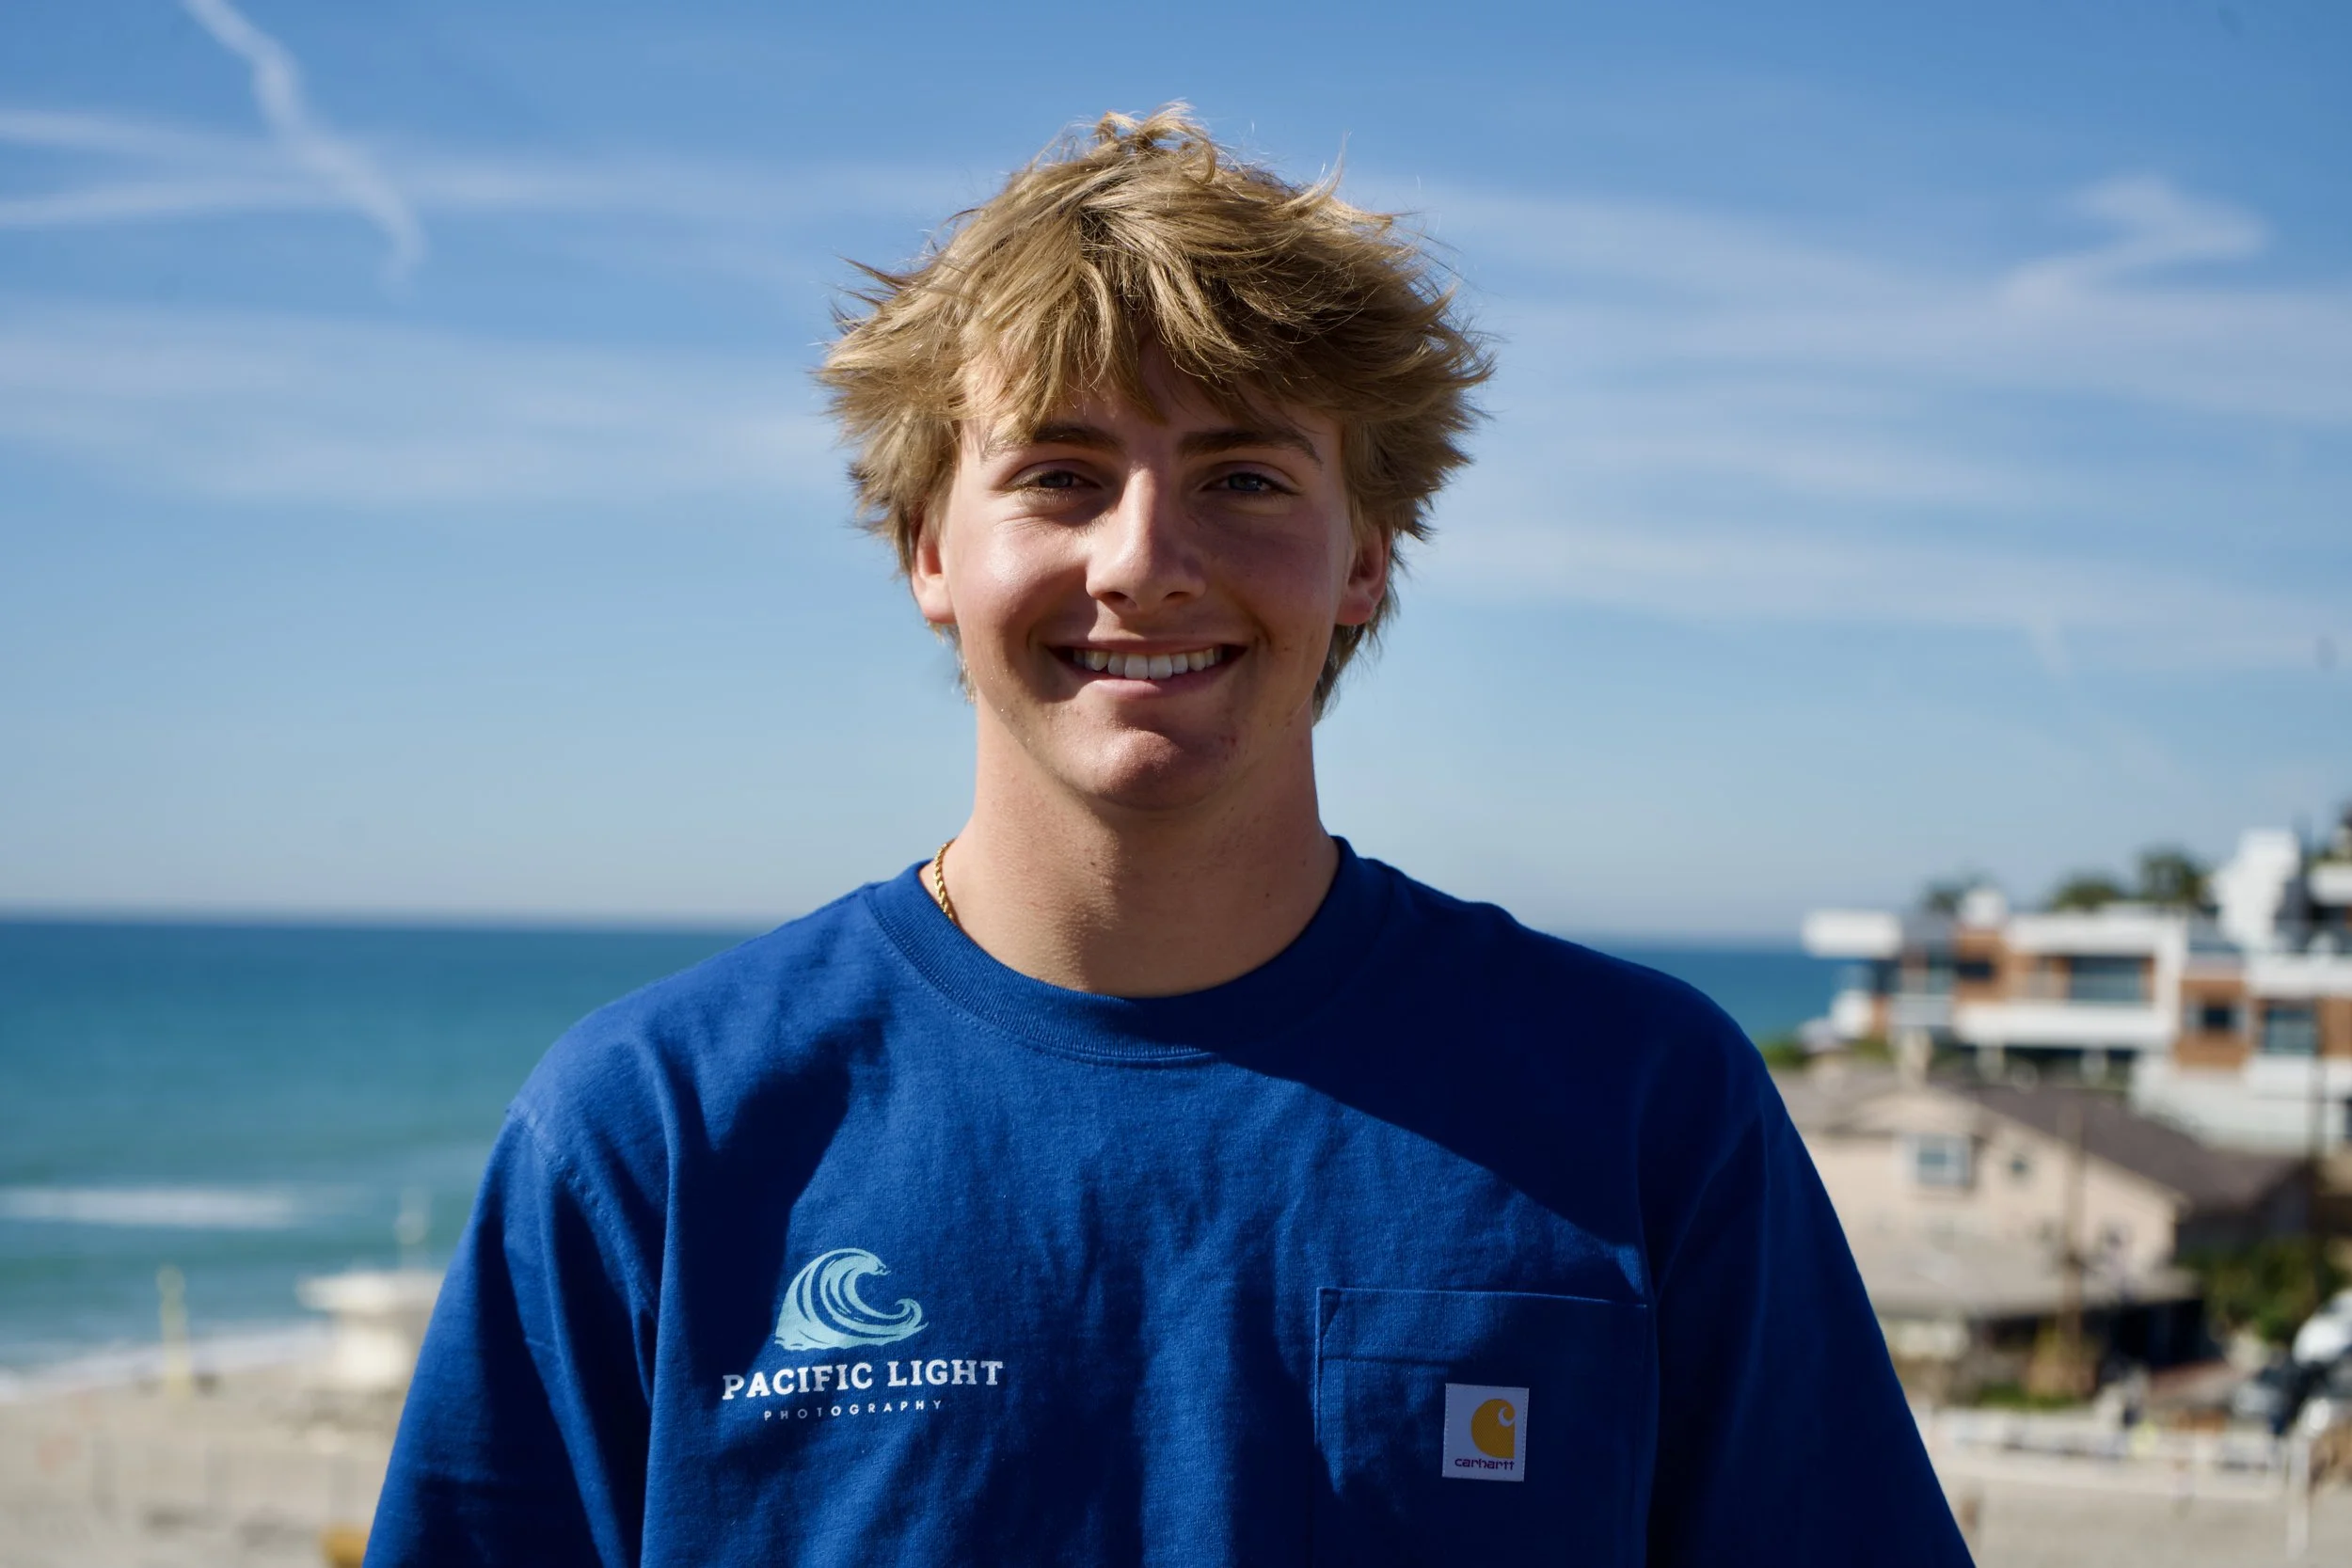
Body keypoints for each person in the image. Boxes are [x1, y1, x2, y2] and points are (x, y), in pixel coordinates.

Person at [366, 108, 1971, 1566]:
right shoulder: (656, 1130)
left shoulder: (1641, 1105)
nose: (1144, 559)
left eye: (1246, 476)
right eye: (1060, 474)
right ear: (929, 547)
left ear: (1367, 560)